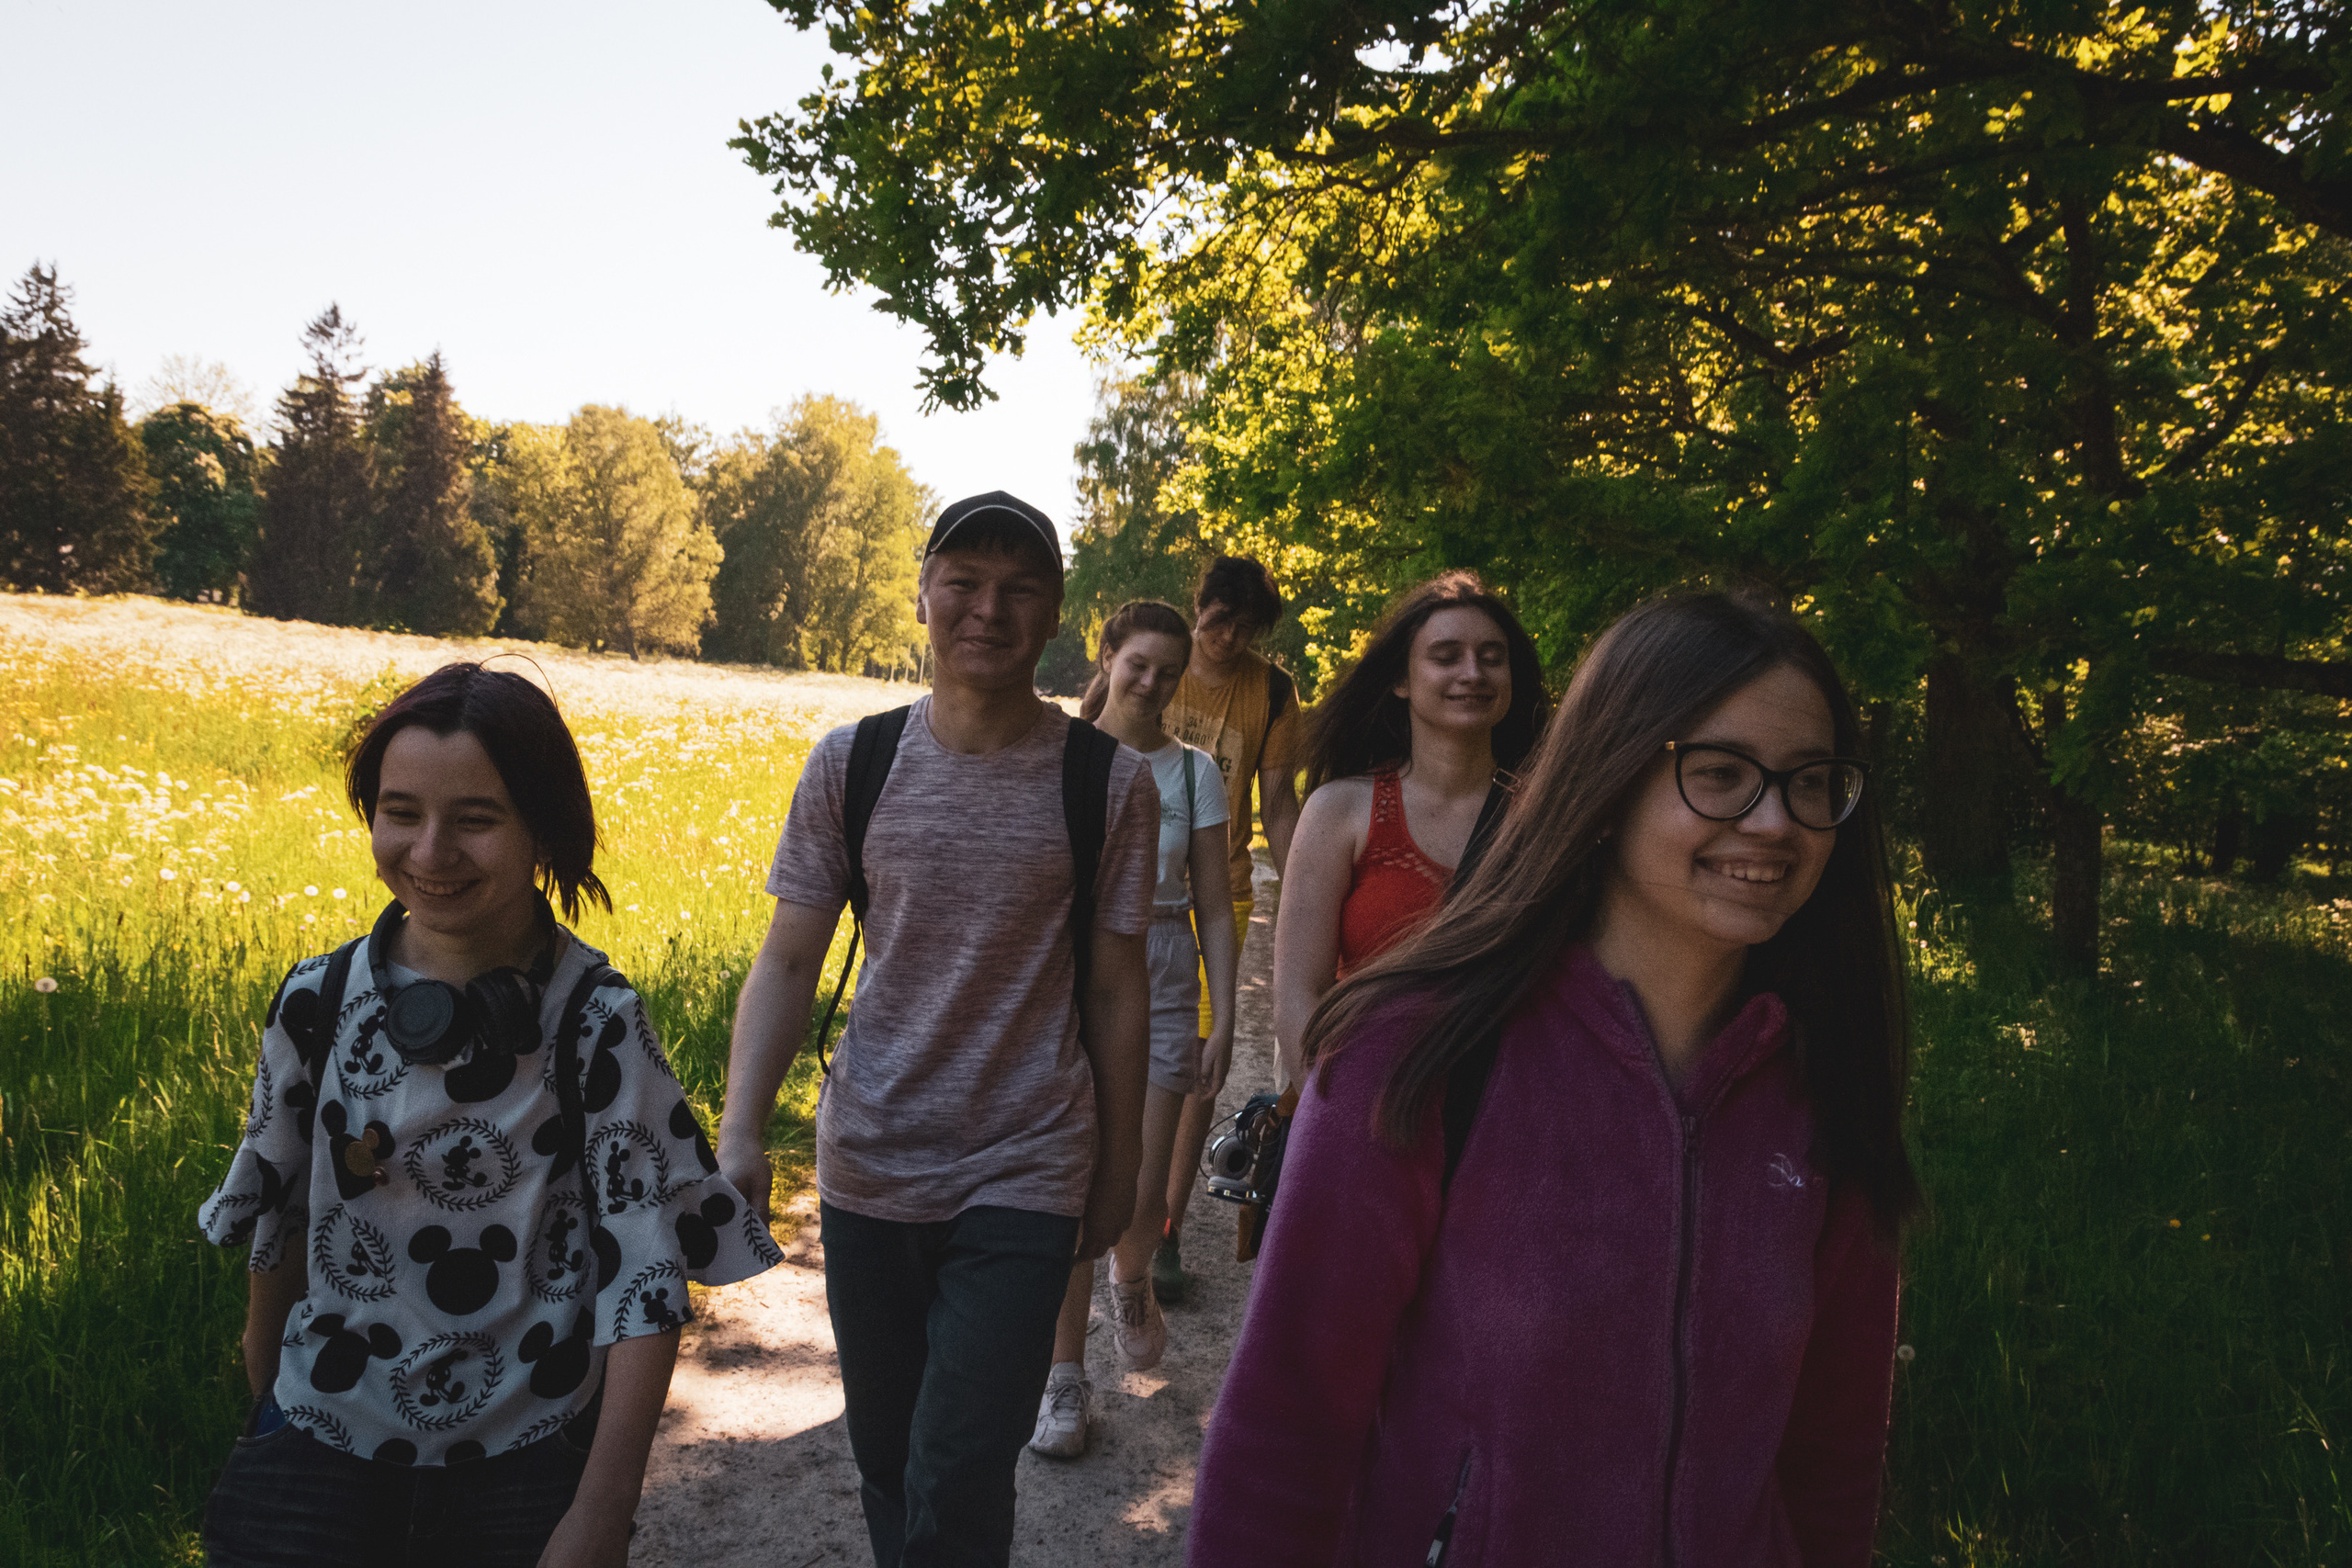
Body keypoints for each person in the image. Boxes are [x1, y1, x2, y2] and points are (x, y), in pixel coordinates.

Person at [1188, 592, 1922, 1568]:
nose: (1775, 820)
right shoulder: (1411, 1055)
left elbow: (1832, 1463)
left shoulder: (1828, 1095)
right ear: (1609, 777)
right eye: (1719, 774)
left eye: (1812, 782)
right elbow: (1286, 1434)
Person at [198, 662, 778, 1568]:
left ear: (543, 828)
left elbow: (645, 1277)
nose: (430, 852)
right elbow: (279, 1207)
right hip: (315, 1439)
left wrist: (599, 1511)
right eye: (401, 812)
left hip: (525, 1462)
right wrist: (267, 1388)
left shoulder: (596, 1020)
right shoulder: (318, 999)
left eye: (476, 820)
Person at [718, 492, 1158, 1568]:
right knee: (888, 1452)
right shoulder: (851, 763)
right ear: (922, 594)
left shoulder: (1107, 781)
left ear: (1057, 611)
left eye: (1019, 587)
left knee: (962, 1459)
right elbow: (787, 959)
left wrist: (1121, 1171)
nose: (987, 609)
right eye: (963, 581)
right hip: (870, 1157)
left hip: (1027, 1158)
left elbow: (1114, 989)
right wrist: (738, 1132)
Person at [1029, 601, 1238, 1458]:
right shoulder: (1060, 756)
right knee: (1078, 1179)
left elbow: (1219, 909)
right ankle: (1065, 1380)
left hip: (1159, 960)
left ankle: (1134, 1273)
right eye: (1136, 663)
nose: (1149, 683)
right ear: (1107, 656)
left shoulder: (1194, 774)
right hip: (1073, 963)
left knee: (1143, 1190)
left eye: (1166, 670)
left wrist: (1222, 1014)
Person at [1271, 571, 1548, 1089]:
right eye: (1446, 657)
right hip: (1364, 1104)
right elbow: (1296, 997)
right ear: (1401, 680)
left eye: (1492, 657)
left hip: (1508, 1119)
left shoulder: (1547, 819)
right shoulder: (1340, 811)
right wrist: (1336, 1118)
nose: (1473, 672)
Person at [1153, 555, 1302, 1301]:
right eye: (1219, 618)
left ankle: (1164, 1231)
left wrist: (1313, 881)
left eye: (1246, 627)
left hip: (1220, 893)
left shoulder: (1272, 693)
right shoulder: (1155, 658)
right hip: (1127, 888)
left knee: (1194, 1069)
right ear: (1197, 604)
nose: (1229, 636)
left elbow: (1277, 803)